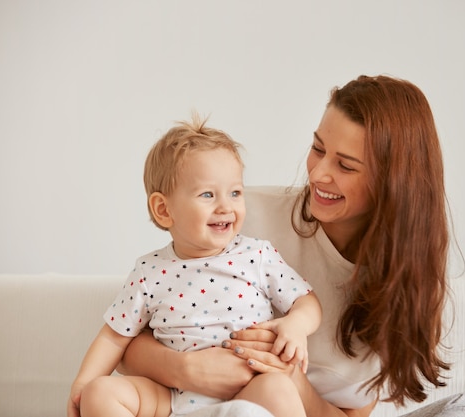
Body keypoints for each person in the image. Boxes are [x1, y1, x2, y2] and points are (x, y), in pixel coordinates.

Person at [117, 75, 465, 417]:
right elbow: (127, 337)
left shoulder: (400, 282)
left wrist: (292, 385)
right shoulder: (240, 220)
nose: (318, 174)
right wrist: (186, 369)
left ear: (392, 184)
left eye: (346, 165)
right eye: (318, 148)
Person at [67, 116, 322, 417]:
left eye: (235, 193)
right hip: (171, 397)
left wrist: (296, 326)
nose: (226, 206)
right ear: (164, 210)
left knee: (279, 388)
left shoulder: (257, 254)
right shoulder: (149, 271)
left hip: (247, 390)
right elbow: (114, 336)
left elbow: (306, 300)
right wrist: (83, 383)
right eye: (207, 195)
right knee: (100, 393)